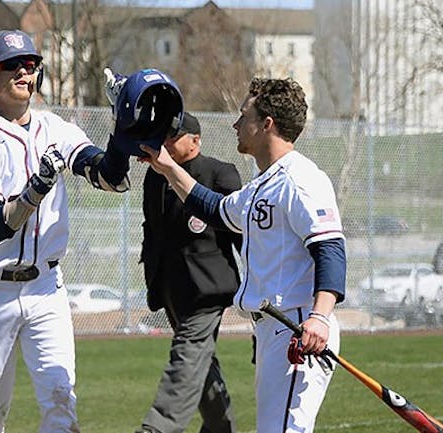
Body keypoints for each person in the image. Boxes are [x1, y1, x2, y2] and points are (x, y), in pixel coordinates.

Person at [0, 30, 183, 433]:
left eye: (31, 63)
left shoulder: (54, 127)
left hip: (47, 287)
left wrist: (122, 128)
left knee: (62, 404)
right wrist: (36, 189)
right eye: (14, 64)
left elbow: (109, 176)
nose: (26, 70)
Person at [139, 77, 346, 433]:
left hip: (299, 328)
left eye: (243, 115)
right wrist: (168, 167)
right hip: (274, 330)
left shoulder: (301, 180)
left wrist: (320, 318)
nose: (236, 124)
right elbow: (216, 209)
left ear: (267, 124)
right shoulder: (262, 185)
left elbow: (330, 248)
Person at [136, 112, 243, 433]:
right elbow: (153, 229)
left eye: (173, 136)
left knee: (186, 354)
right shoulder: (155, 176)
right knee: (201, 360)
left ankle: (159, 427)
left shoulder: (220, 173)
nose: (165, 142)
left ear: (195, 140)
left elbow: (242, 236)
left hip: (208, 287)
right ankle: (221, 428)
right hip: (169, 286)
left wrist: (261, 283)